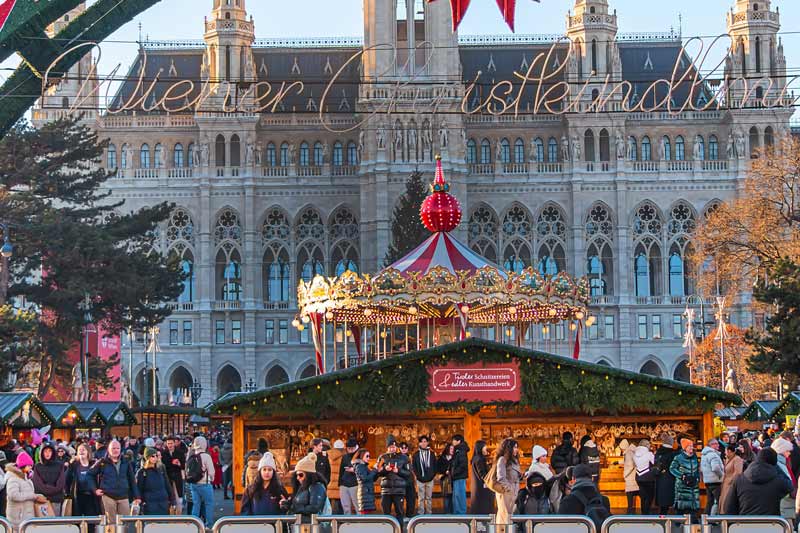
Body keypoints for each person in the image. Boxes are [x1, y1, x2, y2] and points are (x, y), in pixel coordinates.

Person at [724, 448, 792, 516]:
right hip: (772, 523)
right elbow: (790, 486)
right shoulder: (778, 480)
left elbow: (728, 507)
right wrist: (776, 467)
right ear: (774, 462)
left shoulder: (739, 479)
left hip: (744, 523)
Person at [87, 439, 140, 525]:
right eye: (113, 448)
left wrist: (137, 496)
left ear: (120, 449)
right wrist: (95, 489)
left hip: (123, 496)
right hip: (108, 496)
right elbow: (89, 474)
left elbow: (132, 479)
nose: (115, 450)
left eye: (117, 448)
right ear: (108, 449)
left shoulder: (126, 461)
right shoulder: (102, 462)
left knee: (125, 523)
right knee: (111, 524)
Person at [558, 464, 611, 530]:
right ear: (592, 478)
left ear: (573, 479)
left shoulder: (567, 501)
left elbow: (561, 527)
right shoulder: (604, 500)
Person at [5, 452, 47, 530]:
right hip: (18, 516)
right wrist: (34, 496)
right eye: (29, 465)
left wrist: (37, 496)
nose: (31, 467)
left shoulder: (26, 478)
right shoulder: (13, 478)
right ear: (22, 466)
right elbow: (13, 495)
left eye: (31, 465)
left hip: (26, 515)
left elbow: (28, 493)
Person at [376, 436, 410, 525]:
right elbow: (377, 472)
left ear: (396, 447)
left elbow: (408, 473)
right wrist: (384, 469)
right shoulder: (382, 457)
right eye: (390, 447)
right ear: (387, 447)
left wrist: (398, 471)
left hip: (399, 490)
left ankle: (400, 530)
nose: (392, 449)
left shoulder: (404, 458)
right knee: (386, 514)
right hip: (386, 490)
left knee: (400, 513)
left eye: (394, 447)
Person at [290, 453, 328, 528]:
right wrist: (288, 504)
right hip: (303, 525)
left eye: (300, 475)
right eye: (296, 475)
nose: (298, 478)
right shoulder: (302, 487)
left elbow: (314, 507)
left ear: (308, 474)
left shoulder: (317, 486)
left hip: (312, 526)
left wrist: (296, 508)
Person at [136, 447, 176, 515]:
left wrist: (172, 500)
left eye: (156, 456)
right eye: (153, 456)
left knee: (163, 524)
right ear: (148, 457)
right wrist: (141, 503)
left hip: (163, 503)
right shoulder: (142, 472)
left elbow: (167, 484)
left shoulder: (161, 469)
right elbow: (139, 489)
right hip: (150, 505)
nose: (155, 458)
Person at [187, 435, 216, 529]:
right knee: (209, 504)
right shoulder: (206, 456)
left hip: (193, 483)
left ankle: (194, 524)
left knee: (196, 504)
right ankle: (209, 525)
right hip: (205, 484)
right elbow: (211, 472)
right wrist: (212, 478)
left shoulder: (191, 455)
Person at [65, 444, 100, 520]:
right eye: (79, 450)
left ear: (88, 452)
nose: (81, 451)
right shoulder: (74, 465)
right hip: (77, 496)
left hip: (91, 496)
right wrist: (67, 493)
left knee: (91, 520)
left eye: (83, 449)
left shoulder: (94, 464)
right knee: (77, 520)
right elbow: (67, 479)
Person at [494, 438, 521, 533]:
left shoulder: (514, 460)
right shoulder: (502, 460)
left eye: (517, 447)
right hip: (505, 493)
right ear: (509, 448)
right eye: (514, 447)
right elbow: (501, 477)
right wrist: (509, 489)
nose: (516, 450)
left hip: (513, 492)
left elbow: (515, 476)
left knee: (509, 516)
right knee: (504, 516)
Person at [669, 439, 701, 521]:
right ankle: (679, 526)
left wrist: (697, 478)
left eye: (692, 446)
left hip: (693, 486)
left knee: (693, 510)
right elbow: (672, 469)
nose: (691, 448)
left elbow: (697, 469)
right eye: (689, 446)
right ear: (685, 448)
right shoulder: (678, 457)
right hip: (682, 487)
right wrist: (682, 476)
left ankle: (693, 525)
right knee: (681, 510)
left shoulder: (694, 457)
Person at [32, 442, 66, 515]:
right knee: (43, 524)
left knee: (55, 523)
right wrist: (47, 491)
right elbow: (38, 484)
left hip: (56, 499)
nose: (47, 453)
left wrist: (52, 490)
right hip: (42, 500)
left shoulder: (59, 465)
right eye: (45, 451)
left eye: (50, 451)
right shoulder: (37, 466)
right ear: (41, 453)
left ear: (53, 452)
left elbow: (61, 483)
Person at [771, 436, 797, 521]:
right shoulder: (778, 464)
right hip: (785, 505)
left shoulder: (784, 463)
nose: (789, 453)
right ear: (781, 450)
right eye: (787, 451)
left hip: (787, 504)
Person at [411, 435, 436, 515]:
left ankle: (429, 513)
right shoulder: (416, 455)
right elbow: (414, 467)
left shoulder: (432, 454)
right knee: (421, 498)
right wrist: (418, 476)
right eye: (422, 442)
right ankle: (420, 514)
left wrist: (432, 475)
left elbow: (435, 465)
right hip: (420, 480)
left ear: (428, 443)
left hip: (430, 479)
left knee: (429, 498)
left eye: (425, 441)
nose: (423, 443)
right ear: (419, 443)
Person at [654, 433, 678, 514]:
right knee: (669, 499)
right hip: (670, 478)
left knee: (662, 501)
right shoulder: (673, 453)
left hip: (660, 478)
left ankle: (662, 516)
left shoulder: (658, 452)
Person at [718, 441, 745, 513]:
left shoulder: (737, 459)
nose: (724, 453)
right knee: (723, 500)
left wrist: (731, 482)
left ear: (729, 451)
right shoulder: (728, 459)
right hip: (725, 483)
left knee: (728, 501)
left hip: (731, 484)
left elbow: (738, 472)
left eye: (725, 451)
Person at [700, 438, 724, 515]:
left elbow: (701, 469)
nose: (718, 445)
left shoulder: (704, 455)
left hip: (707, 481)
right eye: (716, 443)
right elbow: (715, 467)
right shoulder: (713, 454)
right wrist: (721, 475)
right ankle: (714, 518)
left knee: (710, 501)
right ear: (712, 445)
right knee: (718, 501)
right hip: (715, 481)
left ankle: (705, 518)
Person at [162, 436, 186, 512]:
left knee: (179, 494)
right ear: (166, 444)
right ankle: (170, 510)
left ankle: (179, 510)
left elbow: (183, 465)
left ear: (174, 443)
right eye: (168, 443)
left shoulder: (180, 452)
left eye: (171, 443)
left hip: (177, 476)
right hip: (168, 476)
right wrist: (172, 462)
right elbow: (164, 464)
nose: (170, 445)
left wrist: (179, 464)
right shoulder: (163, 453)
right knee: (169, 493)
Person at [470, 440, 494, 514]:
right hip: (482, 488)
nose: (486, 448)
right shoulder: (479, 459)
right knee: (483, 509)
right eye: (484, 447)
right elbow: (482, 475)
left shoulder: (476, 458)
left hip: (478, 487)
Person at [633, 440, 655, 515]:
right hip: (648, 477)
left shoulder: (635, 454)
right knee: (649, 496)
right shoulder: (649, 454)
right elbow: (654, 462)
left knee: (643, 496)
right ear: (646, 445)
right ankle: (647, 512)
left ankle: (643, 512)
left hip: (638, 477)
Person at [352, 448, 378, 515]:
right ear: (361, 456)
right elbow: (365, 478)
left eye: (369, 456)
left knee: (368, 515)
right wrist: (374, 470)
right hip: (364, 494)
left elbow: (372, 478)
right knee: (365, 515)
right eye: (367, 456)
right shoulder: (359, 466)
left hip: (367, 493)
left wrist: (377, 471)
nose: (368, 458)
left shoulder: (364, 466)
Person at [449, 435, 469, 514]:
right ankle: (458, 514)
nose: (452, 442)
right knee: (457, 496)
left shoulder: (461, 451)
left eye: (454, 440)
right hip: (458, 477)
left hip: (459, 477)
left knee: (459, 496)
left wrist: (453, 473)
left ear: (459, 441)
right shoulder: (459, 450)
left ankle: (460, 514)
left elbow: (462, 465)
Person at [338, 439, 359, 515]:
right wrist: (340, 483)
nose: (350, 450)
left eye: (352, 448)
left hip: (355, 484)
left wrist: (355, 470)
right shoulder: (345, 457)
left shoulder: (360, 456)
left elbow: (364, 469)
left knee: (358, 506)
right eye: (349, 448)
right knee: (346, 507)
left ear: (357, 447)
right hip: (344, 484)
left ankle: (360, 523)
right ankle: (347, 523)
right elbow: (341, 470)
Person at [620, 440, 638, 515]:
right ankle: (631, 510)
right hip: (634, 476)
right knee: (633, 493)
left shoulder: (628, 453)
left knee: (630, 495)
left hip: (630, 477)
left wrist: (625, 475)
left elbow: (630, 465)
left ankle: (630, 511)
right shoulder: (631, 452)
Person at [399, 442, 416, 518]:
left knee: (411, 499)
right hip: (401, 482)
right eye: (402, 448)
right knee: (400, 501)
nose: (404, 449)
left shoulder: (410, 457)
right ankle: (401, 516)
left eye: (405, 448)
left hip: (410, 481)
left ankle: (409, 516)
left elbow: (413, 469)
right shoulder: (397, 457)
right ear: (399, 448)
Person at [437, 444, 454, 513]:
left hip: (453, 479)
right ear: (447, 449)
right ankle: (447, 512)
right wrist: (445, 472)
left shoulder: (455, 457)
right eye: (451, 449)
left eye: (453, 449)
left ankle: (452, 512)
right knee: (446, 496)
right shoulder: (442, 458)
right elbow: (438, 468)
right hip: (444, 479)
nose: (452, 450)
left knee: (452, 496)